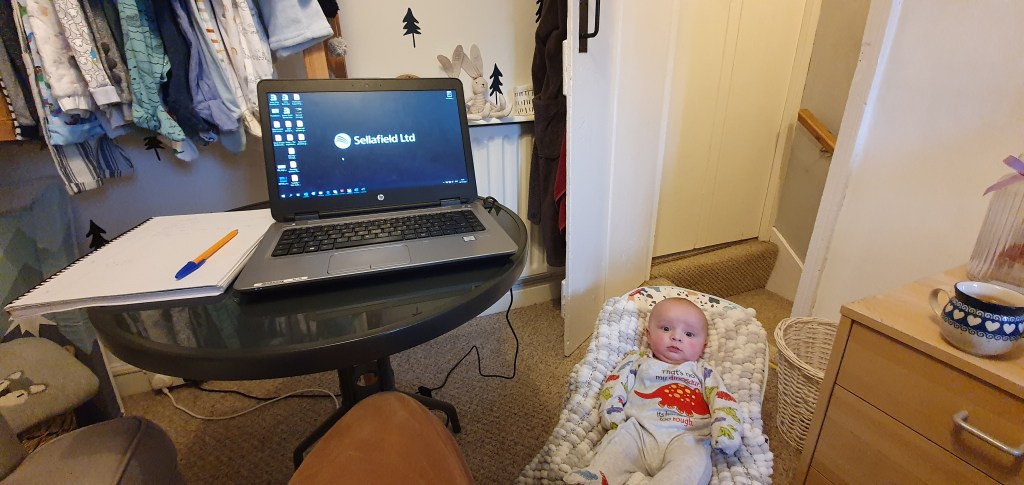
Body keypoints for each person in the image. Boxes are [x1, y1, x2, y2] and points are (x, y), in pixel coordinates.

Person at [566, 297, 742, 485]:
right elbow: (616, 383)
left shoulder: (703, 371)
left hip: (688, 437)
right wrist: (612, 411)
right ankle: (597, 477)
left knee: (694, 464)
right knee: (615, 448)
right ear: (649, 335)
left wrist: (727, 429)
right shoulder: (638, 360)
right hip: (638, 431)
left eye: (689, 334)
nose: (676, 336)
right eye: (666, 329)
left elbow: (722, 399)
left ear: (703, 346)